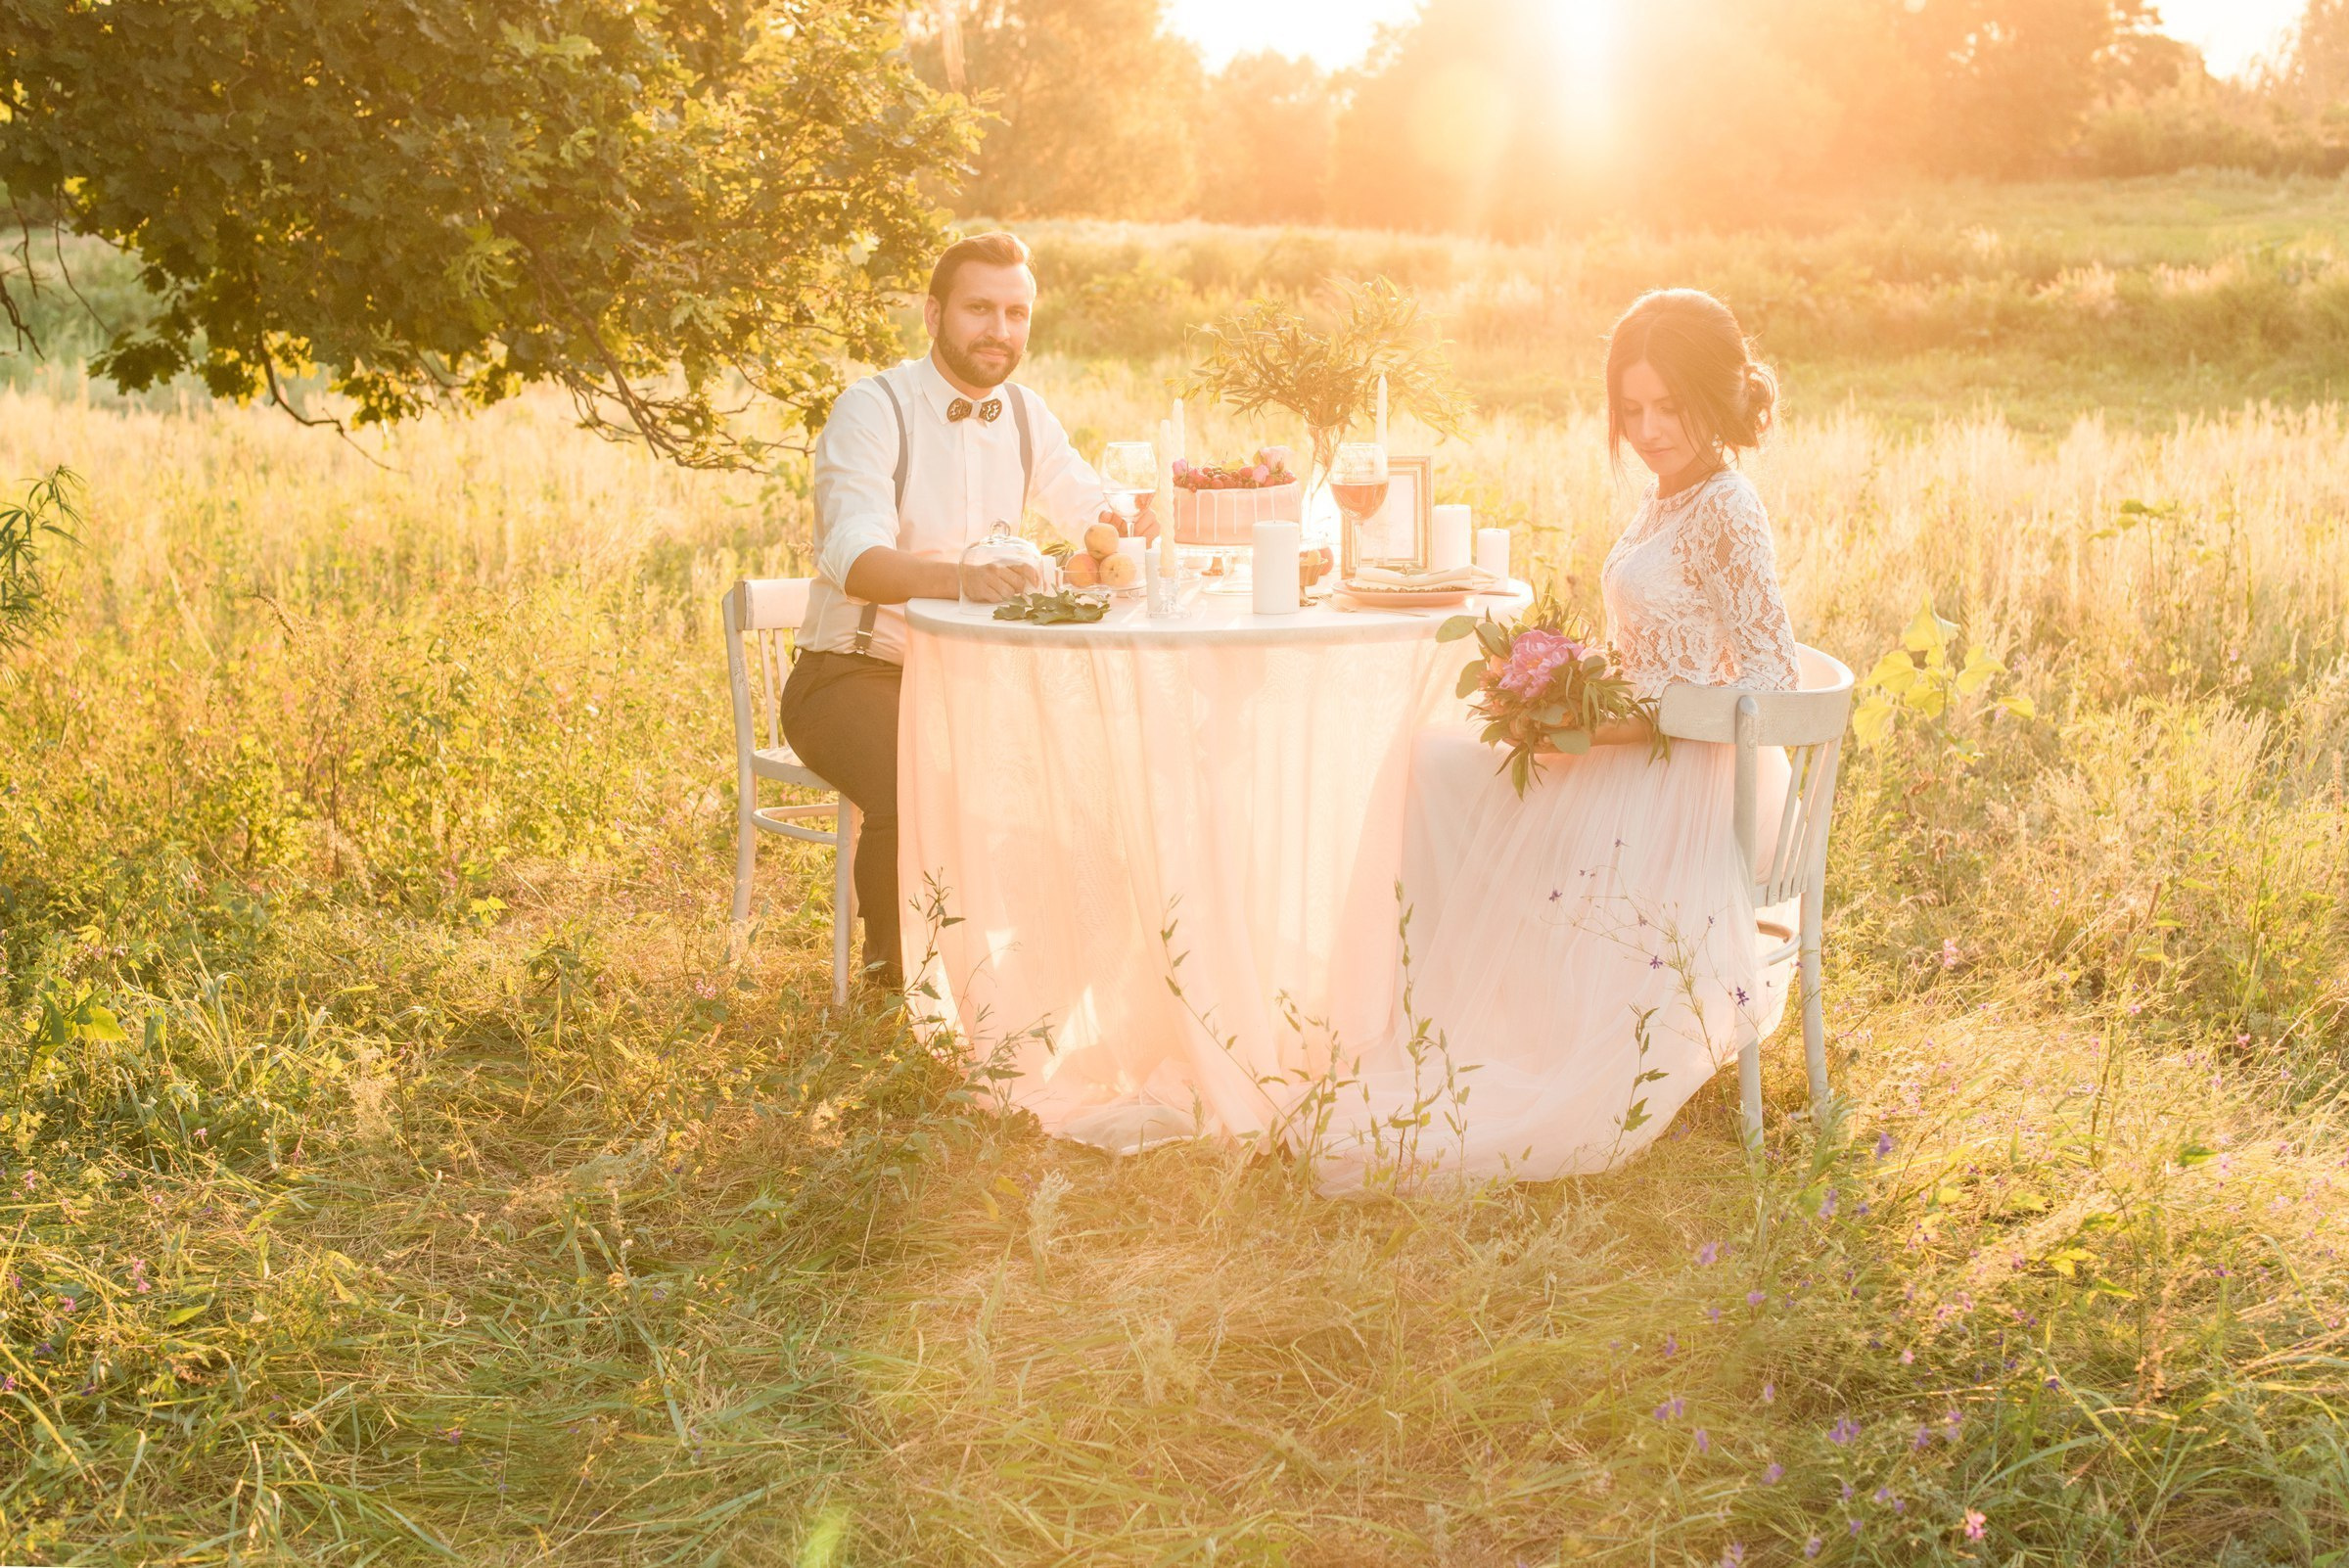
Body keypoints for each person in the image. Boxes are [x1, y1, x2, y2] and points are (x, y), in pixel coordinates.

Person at [1309, 288, 1803, 1191]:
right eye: (1631, 410)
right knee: (1434, 759)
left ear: (1717, 395)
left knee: (1449, 774)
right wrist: (1559, 690)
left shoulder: (1727, 506)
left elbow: (1770, 681)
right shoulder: (1666, 497)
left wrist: (1615, 724)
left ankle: (1499, 1025)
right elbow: (1651, 649)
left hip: (1684, 778)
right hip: (1635, 744)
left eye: (1668, 406)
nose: (1647, 430)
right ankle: (1425, 1017)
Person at [780, 231, 1148, 990]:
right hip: (851, 675)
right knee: (916, 783)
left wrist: (1141, 514)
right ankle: (895, 996)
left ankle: (1048, 983)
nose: (999, 331)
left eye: (1017, 314)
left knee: (1100, 777)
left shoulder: (1025, 414)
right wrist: (962, 578)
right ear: (933, 314)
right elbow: (855, 561)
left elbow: (1095, 508)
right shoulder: (872, 408)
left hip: (975, 682)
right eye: (980, 309)